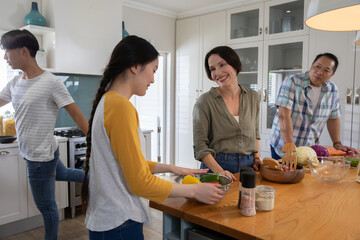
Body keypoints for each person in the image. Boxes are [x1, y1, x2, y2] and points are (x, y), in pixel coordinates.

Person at [81, 35, 225, 240]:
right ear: (135, 66)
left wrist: (170, 168)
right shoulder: (121, 107)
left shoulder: (108, 102)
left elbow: (124, 164)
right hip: (120, 222)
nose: (153, 79)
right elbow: (140, 182)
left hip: (109, 221)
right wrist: (194, 191)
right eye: (153, 70)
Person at [0, 29, 88, 240]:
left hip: (39, 156)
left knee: (47, 208)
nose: (4, 57)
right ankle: (95, 178)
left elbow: (76, 113)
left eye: (6, 51)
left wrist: (95, 143)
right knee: (63, 173)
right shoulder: (15, 83)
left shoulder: (50, 82)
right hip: (42, 150)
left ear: (23, 51)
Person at [270, 52, 358, 159]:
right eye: (317, 66)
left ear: (332, 74)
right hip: (283, 146)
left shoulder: (333, 90)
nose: (319, 72)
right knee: (284, 175)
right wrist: (289, 147)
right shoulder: (293, 81)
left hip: (309, 149)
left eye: (326, 70)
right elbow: (284, 116)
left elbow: (333, 118)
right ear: (312, 65)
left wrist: (337, 143)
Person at [192, 46, 262, 181]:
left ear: (234, 64)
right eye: (212, 69)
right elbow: (200, 146)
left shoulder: (253, 96)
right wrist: (219, 171)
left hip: (249, 166)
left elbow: (255, 134)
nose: (217, 72)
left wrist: (257, 158)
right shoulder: (205, 102)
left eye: (222, 65)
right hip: (217, 166)